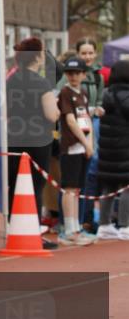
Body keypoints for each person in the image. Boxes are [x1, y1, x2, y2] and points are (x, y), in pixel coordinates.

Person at [6, 37, 60, 249]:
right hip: (38, 139)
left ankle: (14, 227)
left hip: (14, 136)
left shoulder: (11, 80)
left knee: (15, 184)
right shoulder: (41, 82)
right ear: (36, 56)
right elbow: (51, 114)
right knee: (35, 186)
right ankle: (33, 231)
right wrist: (56, 110)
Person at [57, 56, 95, 245]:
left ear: (83, 74)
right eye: (70, 73)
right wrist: (85, 143)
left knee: (77, 188)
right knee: (69, 188)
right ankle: (69, 230)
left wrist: (90, 143)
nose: (73, 76)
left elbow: (87, 119)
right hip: (71, 147)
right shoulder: (65, 93)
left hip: (83, 146)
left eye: (77, 73)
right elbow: (70, 121)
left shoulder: (84, 93)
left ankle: (76, 228)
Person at [75, 38, 106, 232]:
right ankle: (74, 219)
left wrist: (99, 109)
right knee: (78, 172)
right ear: (78, 54)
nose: (87, 57)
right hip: (76, 124)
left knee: (91, 169)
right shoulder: (70, 74)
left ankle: (87, 218)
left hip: (92, 124)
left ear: (95, 54)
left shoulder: (98, 76)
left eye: (90, 53)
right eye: (83, 53)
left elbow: (100, 99)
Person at [96, 60, 129, 240]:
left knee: (108, 187)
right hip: (125, 148)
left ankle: (104, 224)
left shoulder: (105, 94)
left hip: (107, 149)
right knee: (126, 187)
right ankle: (125, 225)